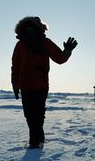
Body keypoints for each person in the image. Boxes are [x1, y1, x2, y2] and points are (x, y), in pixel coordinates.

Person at [11, 16, 78, 149]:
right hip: (25, 85)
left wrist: (68, 51)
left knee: (37, 114)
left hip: (40, 85)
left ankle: (35, 142)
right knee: (30, 115)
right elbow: (15, 66)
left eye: (32, 27)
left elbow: (59, 58)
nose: (30, 30)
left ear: (37, 28)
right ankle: (37, 140)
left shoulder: (45, 43)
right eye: (27, 27)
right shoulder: (20, 45)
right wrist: (15, 83)